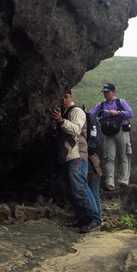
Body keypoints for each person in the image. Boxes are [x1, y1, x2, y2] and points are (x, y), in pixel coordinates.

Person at [51, 90, 101, 233]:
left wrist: (61, 121)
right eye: (61, 97)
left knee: (80, 186)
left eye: (66, 96)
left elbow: (76, 129)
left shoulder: (76, 111)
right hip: (66, 157)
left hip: (77, 155)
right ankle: (83, 218)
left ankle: (95, 219)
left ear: (71, 96)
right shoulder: (64, 113)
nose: (63, 99)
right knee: (67, 189)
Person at [90, 83, 134, 191]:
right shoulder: (101, 105)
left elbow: (130, 113)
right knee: (108, 157)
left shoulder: (120, 102)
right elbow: (91, 114)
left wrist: (118, 112)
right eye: (104, 92)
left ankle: (123, 181)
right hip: (108, 133)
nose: (105, 94)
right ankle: (110, 182)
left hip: (121, 131)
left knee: (123, 156)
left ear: (113, 92)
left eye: (107, 92)